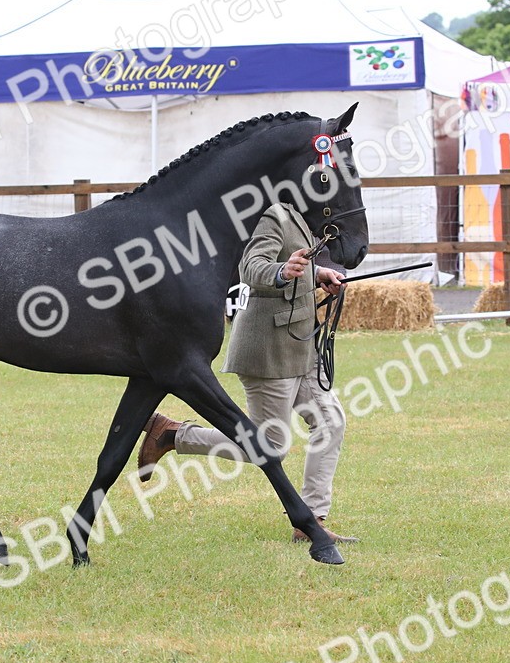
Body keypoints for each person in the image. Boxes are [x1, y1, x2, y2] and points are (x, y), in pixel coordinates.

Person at [137, 202, 357, 544]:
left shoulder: (300, 215)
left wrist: (317, 274)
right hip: (269, 347)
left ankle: (310, 520)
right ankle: (172, 434)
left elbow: (297, 262)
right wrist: (283, 271)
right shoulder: (272, 214)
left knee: (331, 421)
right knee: (271, 446)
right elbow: (252, 267)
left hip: (301, 343)